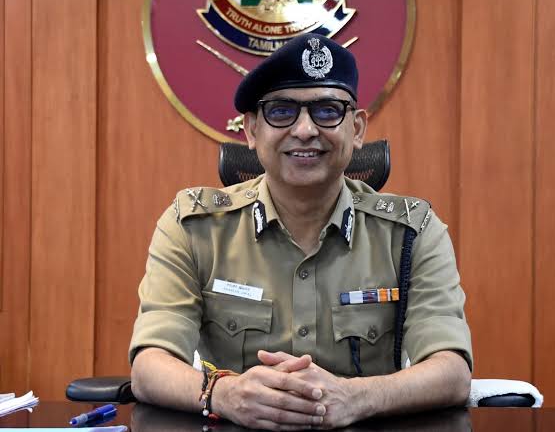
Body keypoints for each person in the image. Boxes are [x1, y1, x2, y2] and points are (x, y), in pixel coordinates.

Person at [129, 33, 472, 430]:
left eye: (327, 111)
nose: (306, 130)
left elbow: (451, 371)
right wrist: (225, 393)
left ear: (357, 129)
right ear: (251, 130)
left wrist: (356, 397)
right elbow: (149, 366)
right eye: (281, 111)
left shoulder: (412, 232)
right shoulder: (193, 228)